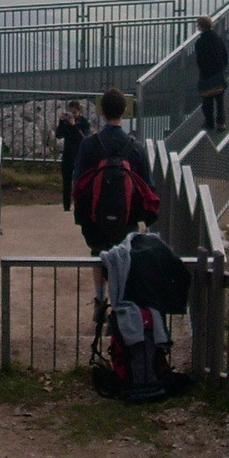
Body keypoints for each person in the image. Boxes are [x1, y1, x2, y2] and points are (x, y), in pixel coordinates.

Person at [71, 89, 155, 311]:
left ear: (101, 111)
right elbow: (149, 186)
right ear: (125, 111)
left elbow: (77, 182)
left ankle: (100, 300)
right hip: (126, 217)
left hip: (94, 217)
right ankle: (120, 305)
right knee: (122, 257)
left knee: (98, 253)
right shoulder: (135, 147)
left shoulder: (89, 144)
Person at [194, 15, 229, 133]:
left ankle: (209, 122)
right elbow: (225, 55)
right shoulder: (218, 38)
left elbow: (200, 60)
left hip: (206, 75)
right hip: (218, 74)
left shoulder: (200, 42)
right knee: (220, 101)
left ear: (201, 26)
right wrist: (222, 69)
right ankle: (221, 123)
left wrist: (203, 72)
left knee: (207, 101)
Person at [54, 100, 91, 211]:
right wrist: (61, 122)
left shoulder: (84, 123)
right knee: (66, 181)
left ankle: (79, 204)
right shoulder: (66, 122)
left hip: (80, 154)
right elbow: (58, 135)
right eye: (70, 112)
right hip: (68, 153)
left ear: (80, 112)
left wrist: (74, 126)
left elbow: (82, 138)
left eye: (74, 113)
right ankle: (66, 205)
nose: (72, 115)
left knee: (80, 181)